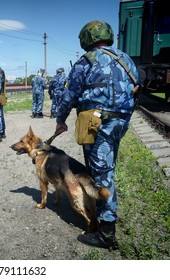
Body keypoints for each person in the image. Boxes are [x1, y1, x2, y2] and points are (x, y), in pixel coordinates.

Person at [54, 20, 140, 249]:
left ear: (88, 37)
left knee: (101, 173)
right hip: (120, 123)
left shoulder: (87, 61)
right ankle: (102, 209)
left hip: (98, 123)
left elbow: (69, 95)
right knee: (107, 168)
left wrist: (60, 119)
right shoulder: (126, 59)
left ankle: (106, 232)